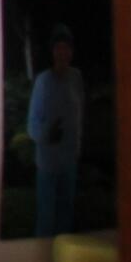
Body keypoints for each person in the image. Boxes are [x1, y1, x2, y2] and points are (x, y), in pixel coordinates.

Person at [27, 32, 86, 237]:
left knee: (66, 214)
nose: (62, 52)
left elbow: (79, 114)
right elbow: (32, 124)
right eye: (58, 48)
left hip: (70, 159)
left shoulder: (75, 77)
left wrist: (77, 147)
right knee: (46, 215)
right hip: (48, 161)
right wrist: (47, 134)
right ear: (52, 52)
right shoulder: (44, 81)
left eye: (66, 48)